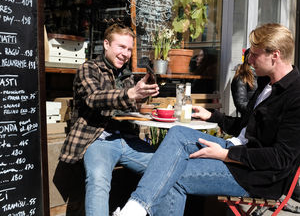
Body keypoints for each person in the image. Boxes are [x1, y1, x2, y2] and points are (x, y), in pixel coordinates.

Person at [114, 23, 300, 216]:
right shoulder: (267, 84)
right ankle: (135, 208)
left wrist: (226, 155)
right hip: (237, 151)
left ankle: (134, 210)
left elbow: (281, 158)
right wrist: (212, 116)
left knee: (174, 177)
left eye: (254, 54)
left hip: (257, 176)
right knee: (178, 133)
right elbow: (247, 129)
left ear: (275, 55)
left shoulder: (295, 95)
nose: (249, 60)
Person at [58, 23, 159, 216]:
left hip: (128, 140)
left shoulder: (128, 76)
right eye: (121, 47)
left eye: (129, 49)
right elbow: (94, 97)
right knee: (98, 179)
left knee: (167, 167)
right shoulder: (89, 68)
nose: (126, 53)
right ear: (106, 44)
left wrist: (143, 94)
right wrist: (130, 94)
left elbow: (129, 106)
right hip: (98, 139)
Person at [231, 48, 258, 116]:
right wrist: (259, 112)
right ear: (249, 58)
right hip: (250, 118)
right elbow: (241, 103)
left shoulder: (265, 75)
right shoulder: (242, 76)